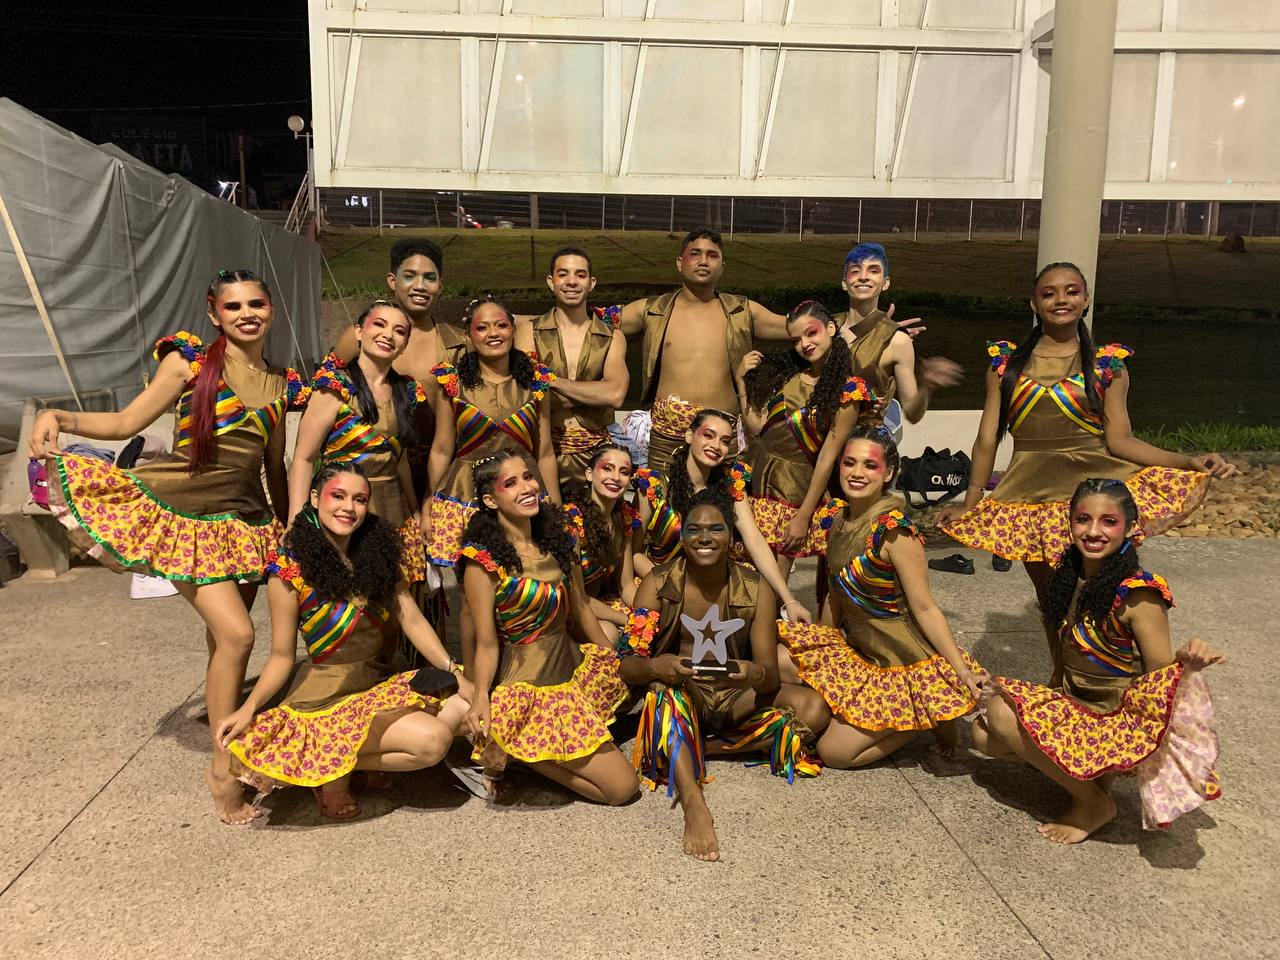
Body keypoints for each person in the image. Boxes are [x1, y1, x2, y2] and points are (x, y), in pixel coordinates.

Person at [29, 269, 309, 824]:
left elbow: (274, 464)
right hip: (179, 516)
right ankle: (223, 770)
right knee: (239, 635)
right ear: (214, 313)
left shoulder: (284, 383)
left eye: (256, 304)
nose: (246, 314)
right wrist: (58, 414)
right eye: (233, 307)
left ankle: (221, 708)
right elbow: (127, 421)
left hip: (244, 522)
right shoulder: (190, 364)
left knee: (222, 639)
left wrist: (287, 526)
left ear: (271, 310)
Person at [938, 261, 1235, 674]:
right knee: (1052, 600)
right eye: (1049, 293)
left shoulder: (1107, 365)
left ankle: (1125, 681)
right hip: (1029, 499)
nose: (1060, 299)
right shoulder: (1005, 365)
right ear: (1034, 304)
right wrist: (971, 503)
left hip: (1096, 497)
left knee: (1105, 594)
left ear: (1086, 299)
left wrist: (1187, 460)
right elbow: (988, 438)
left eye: (1071, 291)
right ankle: (1063, 678)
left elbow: (1121, 440)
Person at [970, 478, 1224, 844]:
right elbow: (1064, 658)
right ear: (1070, 523)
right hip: (1076, 703)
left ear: (1131, 527)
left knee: (999, 711)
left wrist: (1188, 659)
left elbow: (1158, 676)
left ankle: (1093, 802)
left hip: (1113, 717)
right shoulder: (1069, 578)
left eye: (1109, 521)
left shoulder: (1139, 593)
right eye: (1083, 519)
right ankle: (1079, 774)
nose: (1093, 531)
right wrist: (1046, 706)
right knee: (984, 735)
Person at [217, 463, 473, 821]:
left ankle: (340, 763)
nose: (348, 508)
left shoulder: (376, 555)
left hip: (373, 687)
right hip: (324, 700)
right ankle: (331, 773)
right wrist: (249, 707)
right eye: (337, 496)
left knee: (470, 705)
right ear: (314, 498)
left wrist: (453, 671)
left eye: (359, 499)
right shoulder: (290, 570)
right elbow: (281, 656)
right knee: (432, 742)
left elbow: (412, 619)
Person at [619, 489, 827, 862]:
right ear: (682, 534)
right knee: (661, 696)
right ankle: (693, 800)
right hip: (685, 695)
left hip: (736, 696)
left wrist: (752, 673)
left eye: (716, 528)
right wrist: (657, 666)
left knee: (814, 709)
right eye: (694, 529)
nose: (705, 538)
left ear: (731, 535)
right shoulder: (657, 583)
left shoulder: (755, 587)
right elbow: (627, 667)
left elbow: (770, 678)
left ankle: (701, 748)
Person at [780, 426, 985, 768]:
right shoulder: (835, 517)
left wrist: (961, 672)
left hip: (900, 661)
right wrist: (824, 654)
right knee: (778, 660)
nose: (857, 473)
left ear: (889, 472)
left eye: (870, 465)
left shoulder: (894, 532)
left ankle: (925, 714)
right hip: (860, 649)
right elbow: (835, 593)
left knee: (834, 753)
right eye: (849, 463)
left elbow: (925, 608)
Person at [459, 449, 638, 805]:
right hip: (527, 685)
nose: (527, 487)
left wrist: (612, 660)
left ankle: (521, 751)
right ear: (490, 501)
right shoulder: (483, 564)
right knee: (622, 788)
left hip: (570, 666)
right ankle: (519, 749)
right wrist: (479, 697)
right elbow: (486, 643)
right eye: (511, 483)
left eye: (528, 477)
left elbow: (582, 608)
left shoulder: (559, 542)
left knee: (628, 695)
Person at [615, 228, 792, 480]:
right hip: (667, 437)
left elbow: (798, 327)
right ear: (680, 263)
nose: (703, 261)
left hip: (722, 438)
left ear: (722, 266)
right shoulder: (652, 310)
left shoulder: (741, 312)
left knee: (724, 503)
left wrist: (840, 320)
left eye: (712, 255)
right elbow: (592, 324)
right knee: (659, 502)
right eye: (695, 254)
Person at [289, 301, 429, 589]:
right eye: (379, 324)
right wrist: (296, 522)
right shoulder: (335, 387)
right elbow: (303, 458)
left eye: (399, 331)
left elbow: (400, 459)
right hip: (342, 511)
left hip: (393, 513)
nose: (388, 334)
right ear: (358, 331)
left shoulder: (406, 392)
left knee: (397, 599)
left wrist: (415, 511)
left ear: (404, 345)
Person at [631, 408, 812, 623]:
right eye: (708, 435)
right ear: (689, 436)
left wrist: (789, 600)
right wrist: (670, 584)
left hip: (713, 584)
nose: (716, 446)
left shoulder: (730, 487)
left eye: (725, 441)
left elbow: (754, 541)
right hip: (661, 583)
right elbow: (633, 553)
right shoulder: (654, 486)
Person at [737, 300, 872, 580]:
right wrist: (741, 382)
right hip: (755, 479)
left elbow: (826, 458)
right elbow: (759, 427)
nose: (804, 344)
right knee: (745, 571)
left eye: (812, 333)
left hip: (792, 492)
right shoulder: (789, 376)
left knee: (773, 579)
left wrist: (803, 516)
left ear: (831, 328)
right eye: (796, 339)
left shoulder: (848, 391)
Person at [425, 294, 559, 568]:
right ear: (469, 336)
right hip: (467, 496)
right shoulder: (452, 383)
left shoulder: (537, 382)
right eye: (482, 327)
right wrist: (429, 503)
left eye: (501, 325)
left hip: (524, 493)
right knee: (476, 579)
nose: (493, 333)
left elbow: (544, 451)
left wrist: (555, 507)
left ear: (513, 330)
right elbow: (441, 449)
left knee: (527, 572)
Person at [331, 238, 468, 499]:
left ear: (440, 286)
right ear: (392, 281)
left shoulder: (457, 343)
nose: (420, 285)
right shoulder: (360, 338)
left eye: (429, 278)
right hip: (371, 476)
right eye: (410, 276)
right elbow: (325, 401)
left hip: (442, 475)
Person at [513, 247, 629, 486]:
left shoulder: (612, 337)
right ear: (551, 282)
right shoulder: (529, 331)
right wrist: (594, 394)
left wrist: (552, 382)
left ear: (591, 283)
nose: (572, 282)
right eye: (563, 274)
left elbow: (615, 395)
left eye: (580, 275)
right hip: (543, 451)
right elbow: (526, 398)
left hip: (596, 456)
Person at [833, 242, 961, 427]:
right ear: (844, 283)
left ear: (885, 283)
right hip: (817, 435)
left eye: (873, 271)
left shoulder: (898, 341)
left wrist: (926, 386)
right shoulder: (824, 327)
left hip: (865, 440)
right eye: (855, 270)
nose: (863, 277)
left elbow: (912, 413)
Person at [561, 442, 643, 638]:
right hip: (570, 609)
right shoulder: (570, 522)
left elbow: (626, 585)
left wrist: (645, 616)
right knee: (609, 633)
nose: (616, 477)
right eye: (607, 468)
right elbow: (578, 599)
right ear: (589, 474)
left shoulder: (624, 518)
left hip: (600, 603)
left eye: (624, 472)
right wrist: (628, 621)